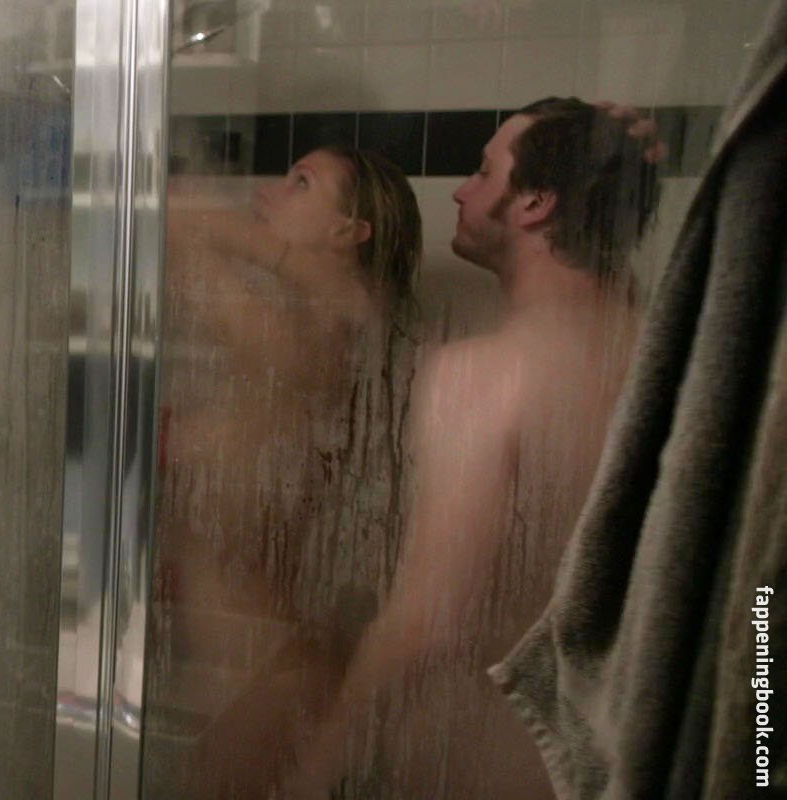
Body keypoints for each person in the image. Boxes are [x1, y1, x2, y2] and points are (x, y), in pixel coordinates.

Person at [284, 97, 665, 798]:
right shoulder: (661, 354)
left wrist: (315, 769)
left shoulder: (487, 376)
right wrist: (605, 166)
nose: (462, 191)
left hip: (493, 762)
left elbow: (427, 621)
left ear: (536, 204)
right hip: (602, 757)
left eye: (485, 172)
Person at [151, 145, 423, 796]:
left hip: (270, 673)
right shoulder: (301, 328)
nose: (269, 192)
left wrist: (204, 214)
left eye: (301, 183)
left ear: (348, 231)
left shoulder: (313, 339)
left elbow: (182, 228)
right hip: (240, 663)